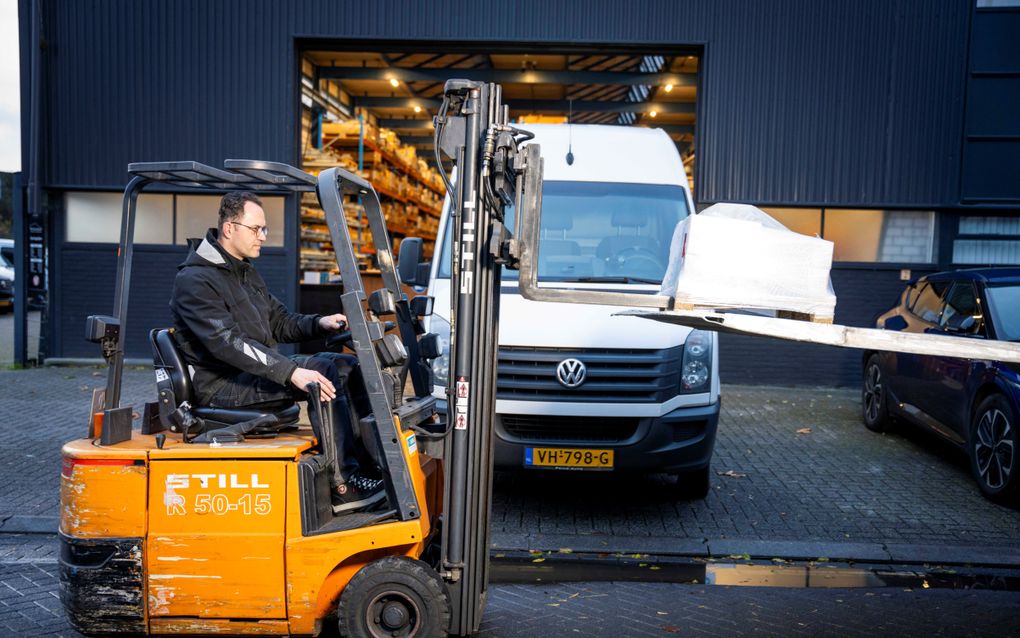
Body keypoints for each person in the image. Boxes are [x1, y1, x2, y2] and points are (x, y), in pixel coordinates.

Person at [169, 191, 383, 513]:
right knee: (319, 376)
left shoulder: (244, 272)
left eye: (264, 229)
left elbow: (279, 321)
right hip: (221, 385)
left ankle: (369, 468)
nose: (263, 238)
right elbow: (229, 343)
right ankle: (342, 484)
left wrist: (319, 323)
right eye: (256, 229)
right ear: (230, 228)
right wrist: (291, 372)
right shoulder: (196, 281)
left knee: (344, 365)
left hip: (248, 374)